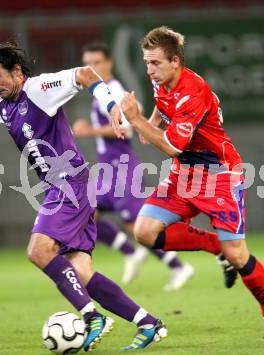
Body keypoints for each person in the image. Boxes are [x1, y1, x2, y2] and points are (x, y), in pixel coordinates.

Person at [0, 41, 168, 351]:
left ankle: (91, 317)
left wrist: (111, 106)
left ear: (17, 71)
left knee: (39, 251)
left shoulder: (41, 88)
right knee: (80, 274)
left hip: (71, 185)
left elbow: (85, 74)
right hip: (65, 188)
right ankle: (148, 323)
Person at [114, 27, 264, 337]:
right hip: (185, 174)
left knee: (238, 254)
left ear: (175, 61)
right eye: (146, 62)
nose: (149, 70)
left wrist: (136, 120)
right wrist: (149, 122)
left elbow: (171, 146)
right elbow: (162, 107)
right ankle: (213, 246)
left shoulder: (193, 91)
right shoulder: (162, 82)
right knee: (145, 231)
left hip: (220, 175)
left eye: (155, 63)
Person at [72, 41, 194, 291]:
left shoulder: (114, 89)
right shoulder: (100, 90)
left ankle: (178, 266)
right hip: (108, 168)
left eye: (96, 62)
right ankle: (129, 253)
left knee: (137, 225)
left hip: (122, 168)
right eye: (88, 63)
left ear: (108, 63)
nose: (91, 68)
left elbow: (127, 129)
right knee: (85, 211)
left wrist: (89, 131)